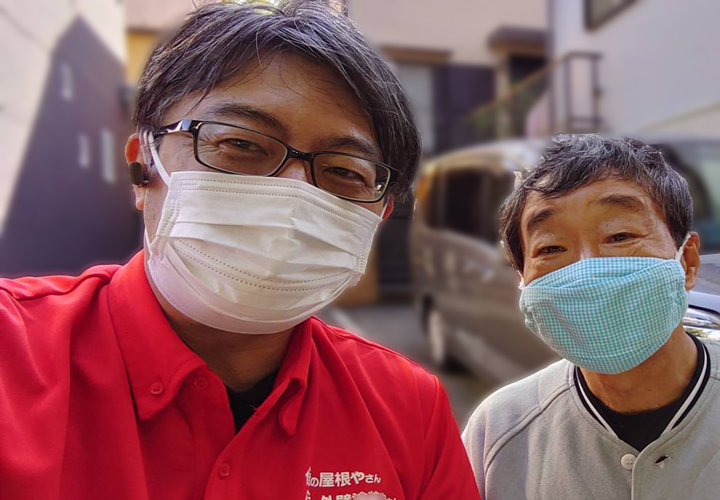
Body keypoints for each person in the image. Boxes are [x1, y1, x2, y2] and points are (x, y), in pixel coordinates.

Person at [0, 2, 481, 499]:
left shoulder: (407, 408)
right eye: (242, 144)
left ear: (377, 215)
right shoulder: (13, 358)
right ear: (143, 167)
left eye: (344, 171)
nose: (295, 194)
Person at [462, 135, 719, 500]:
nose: (587, 270)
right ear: (523, 278)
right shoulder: (498, 430)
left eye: (619, 235)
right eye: (551, 248)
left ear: (687, 260)